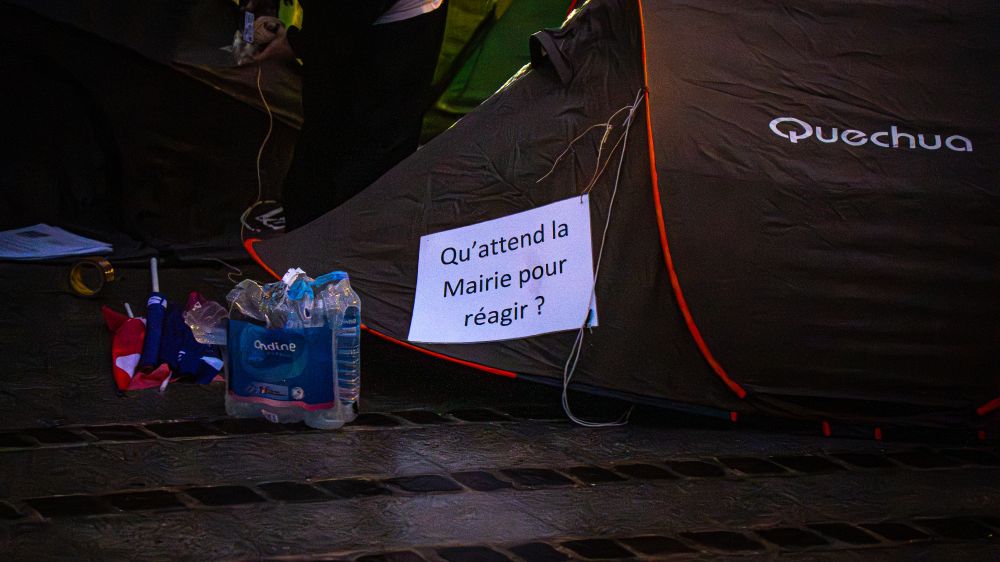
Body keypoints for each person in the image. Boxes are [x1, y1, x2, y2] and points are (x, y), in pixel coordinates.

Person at [252, 0, 447, 230]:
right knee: (332, 140)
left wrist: (298, 43)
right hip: (363, 24)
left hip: (390, 36)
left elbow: (346, 16)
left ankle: (340, 240)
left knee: (363, 155)